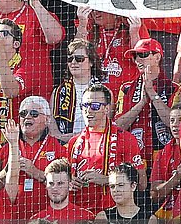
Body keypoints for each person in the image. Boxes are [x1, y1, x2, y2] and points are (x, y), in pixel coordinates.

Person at [66, 83, 145, 213]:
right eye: (84, 105)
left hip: (113, 215)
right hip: (80, 213)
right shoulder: (73, 143)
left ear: (107, 109)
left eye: (95, 106)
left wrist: (108, 180)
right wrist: (70, 183)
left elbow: (141, 183)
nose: (88, 110)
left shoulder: (125, 139)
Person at [0, 18, 45, 151]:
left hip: (15, 145)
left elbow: (11, 91)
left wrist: (0, 54)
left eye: (3, 34)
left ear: (16, 43)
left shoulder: (26, 67)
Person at [115, 38, 173, 168]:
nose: (137, 60)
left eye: (143, 55)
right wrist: (141, 103)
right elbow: (118, 127)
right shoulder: (125, 88)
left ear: (157, 57)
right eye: (135, 56)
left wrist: (152, 95)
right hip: (133, 157)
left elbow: (173, 122)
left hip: (164, 158)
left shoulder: (174, 88)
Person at [52, 38, 105, 143]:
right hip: (64, 145)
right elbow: (52, 127)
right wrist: (65, 138)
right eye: (70, 59)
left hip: (94, 142)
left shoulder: (103, 91)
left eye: (79, 58)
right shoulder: (58, 91)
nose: (73, 62)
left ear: (91, 62)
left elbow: (106, 123)